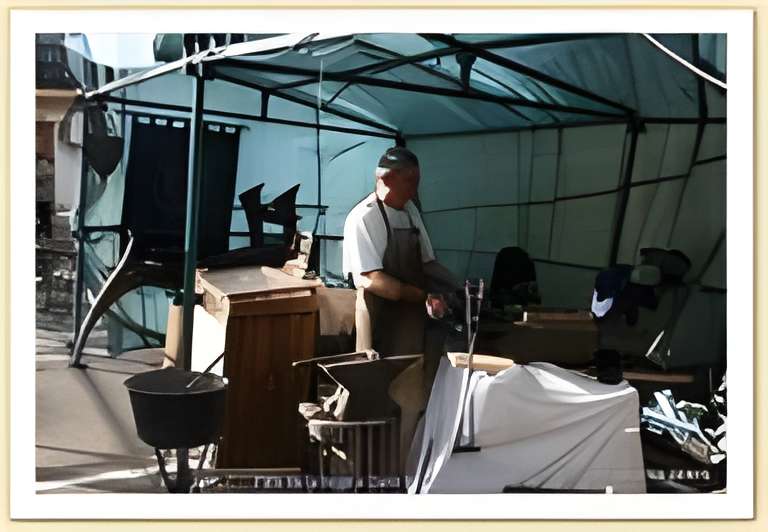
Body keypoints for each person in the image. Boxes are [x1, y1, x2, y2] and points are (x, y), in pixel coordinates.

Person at [343, 147, 457, 389]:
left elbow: (427, 263)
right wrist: (421, 296)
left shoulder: (410, 211)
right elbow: (369, 278)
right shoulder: (363, 218)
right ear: (385, 178)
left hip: (412, 318)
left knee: (413, 387)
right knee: (380, 390)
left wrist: (457, 285)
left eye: (417, 182)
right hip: (380, 319)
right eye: (409, 181)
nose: (414, 190)